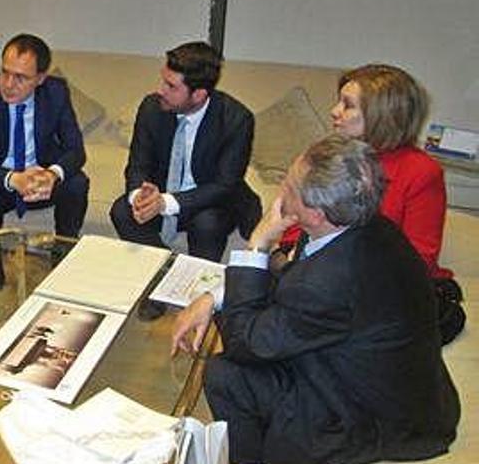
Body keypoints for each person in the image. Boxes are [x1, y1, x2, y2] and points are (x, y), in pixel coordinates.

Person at [171, 135, 460, 464]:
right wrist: (214, 297)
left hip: (369, 414)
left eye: (289, 186)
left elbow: (246, 344)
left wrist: (257, 244)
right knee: (227, 370)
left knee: (232, 373)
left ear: (316, 213)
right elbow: (288, 280)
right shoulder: (365, 225)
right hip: (368, 369)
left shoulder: (329, 281)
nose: (281, 188)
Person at [279, 64, 465, 344]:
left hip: (384, 285)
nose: (334, 111)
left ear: (383, 116)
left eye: (347, 105)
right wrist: (287, 257)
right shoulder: (327, 156)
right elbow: (296, 223)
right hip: (324, 274)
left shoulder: (421, 171)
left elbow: (419, 260)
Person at [110, 41, 260, 320]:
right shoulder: (152, 108)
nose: (160, 91)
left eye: (171, 87)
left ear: (199, 94)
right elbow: (137, 163)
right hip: (164, 194)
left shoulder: (236, 119)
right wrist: (140, 196)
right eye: (162, 81)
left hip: (211, 200)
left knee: (208, 224)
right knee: (122, 210)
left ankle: (200, 297)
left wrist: (166, 203)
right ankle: (161, 278)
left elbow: (225, 185)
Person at [0, 34, 88, 290]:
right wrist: (13, 179)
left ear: (40, 79)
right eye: (4, 72)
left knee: (77, 183)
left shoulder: (56, 92)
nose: (8, 84)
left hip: (40, 178)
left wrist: (52, 174)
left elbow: (76, 151)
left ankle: (63, 250)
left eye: (21, 77)